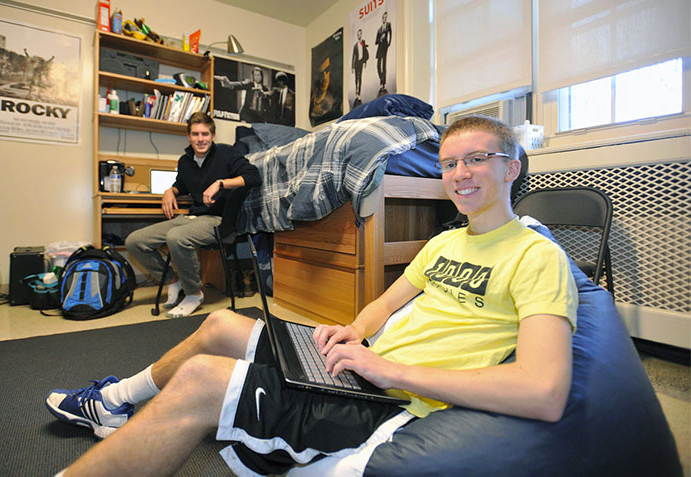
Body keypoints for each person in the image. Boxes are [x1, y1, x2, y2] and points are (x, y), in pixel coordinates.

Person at [46, 115, 578, 476]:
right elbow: (385, 304)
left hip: (394, 403)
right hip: (365, 372)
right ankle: (115, 403)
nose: (458, 174)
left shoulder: (537, 257)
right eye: (448, 163)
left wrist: (389, 372)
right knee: (218, 327)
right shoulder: (444, 242)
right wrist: (356, 331)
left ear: (512, 167)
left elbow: (544, 392)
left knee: (202, 380)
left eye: (476, 160)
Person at [123, 112, 261, 318]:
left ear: (213, 135)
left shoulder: (226, 153)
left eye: (205, 134)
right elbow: (182, 184)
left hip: (219, 220)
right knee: (134, 241)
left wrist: (220, 183)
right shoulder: (185, 161)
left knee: (176, 237)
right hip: (191, 217)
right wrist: (171, 191)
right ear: (188, 137)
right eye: (195, 134)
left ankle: (193, 293)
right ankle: (173, 281)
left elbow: (253, 176)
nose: (200, 139)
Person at [375, 12, 392, 93]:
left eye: (385, 17)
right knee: (378, 66)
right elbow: (376, 41)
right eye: (383, 17)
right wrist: (380, 39)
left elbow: (390, 33)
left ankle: (383, 83)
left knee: (383, 65)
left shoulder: (388, 25)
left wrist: (389, 43)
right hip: (379, 49)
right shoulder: (379, 29)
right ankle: (381, 79)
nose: (384, 19)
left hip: (385, 47)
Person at [351, 28, 369, 101]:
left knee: (360, 77)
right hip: (356, 63)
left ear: (361, 34)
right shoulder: (355, 45)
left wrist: (365, 62)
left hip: (361, 62)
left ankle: (359, 93)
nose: (359, 36)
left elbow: (365, 53)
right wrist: (352, 67)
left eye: (360, 34)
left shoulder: (363, 43)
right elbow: (353, 56)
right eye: (358, 35)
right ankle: (356, 92)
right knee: (356, 78)